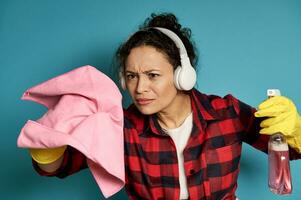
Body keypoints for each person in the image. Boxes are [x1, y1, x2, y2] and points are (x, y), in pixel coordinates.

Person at [27, 13, 301, 200]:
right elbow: (58, 167)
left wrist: (295, 130)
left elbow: (291, 151)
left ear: (183, 75)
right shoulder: (119, 127)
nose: (140, 88)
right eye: (132, 76)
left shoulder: (226, 113)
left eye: (153, 75)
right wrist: (48, 141)